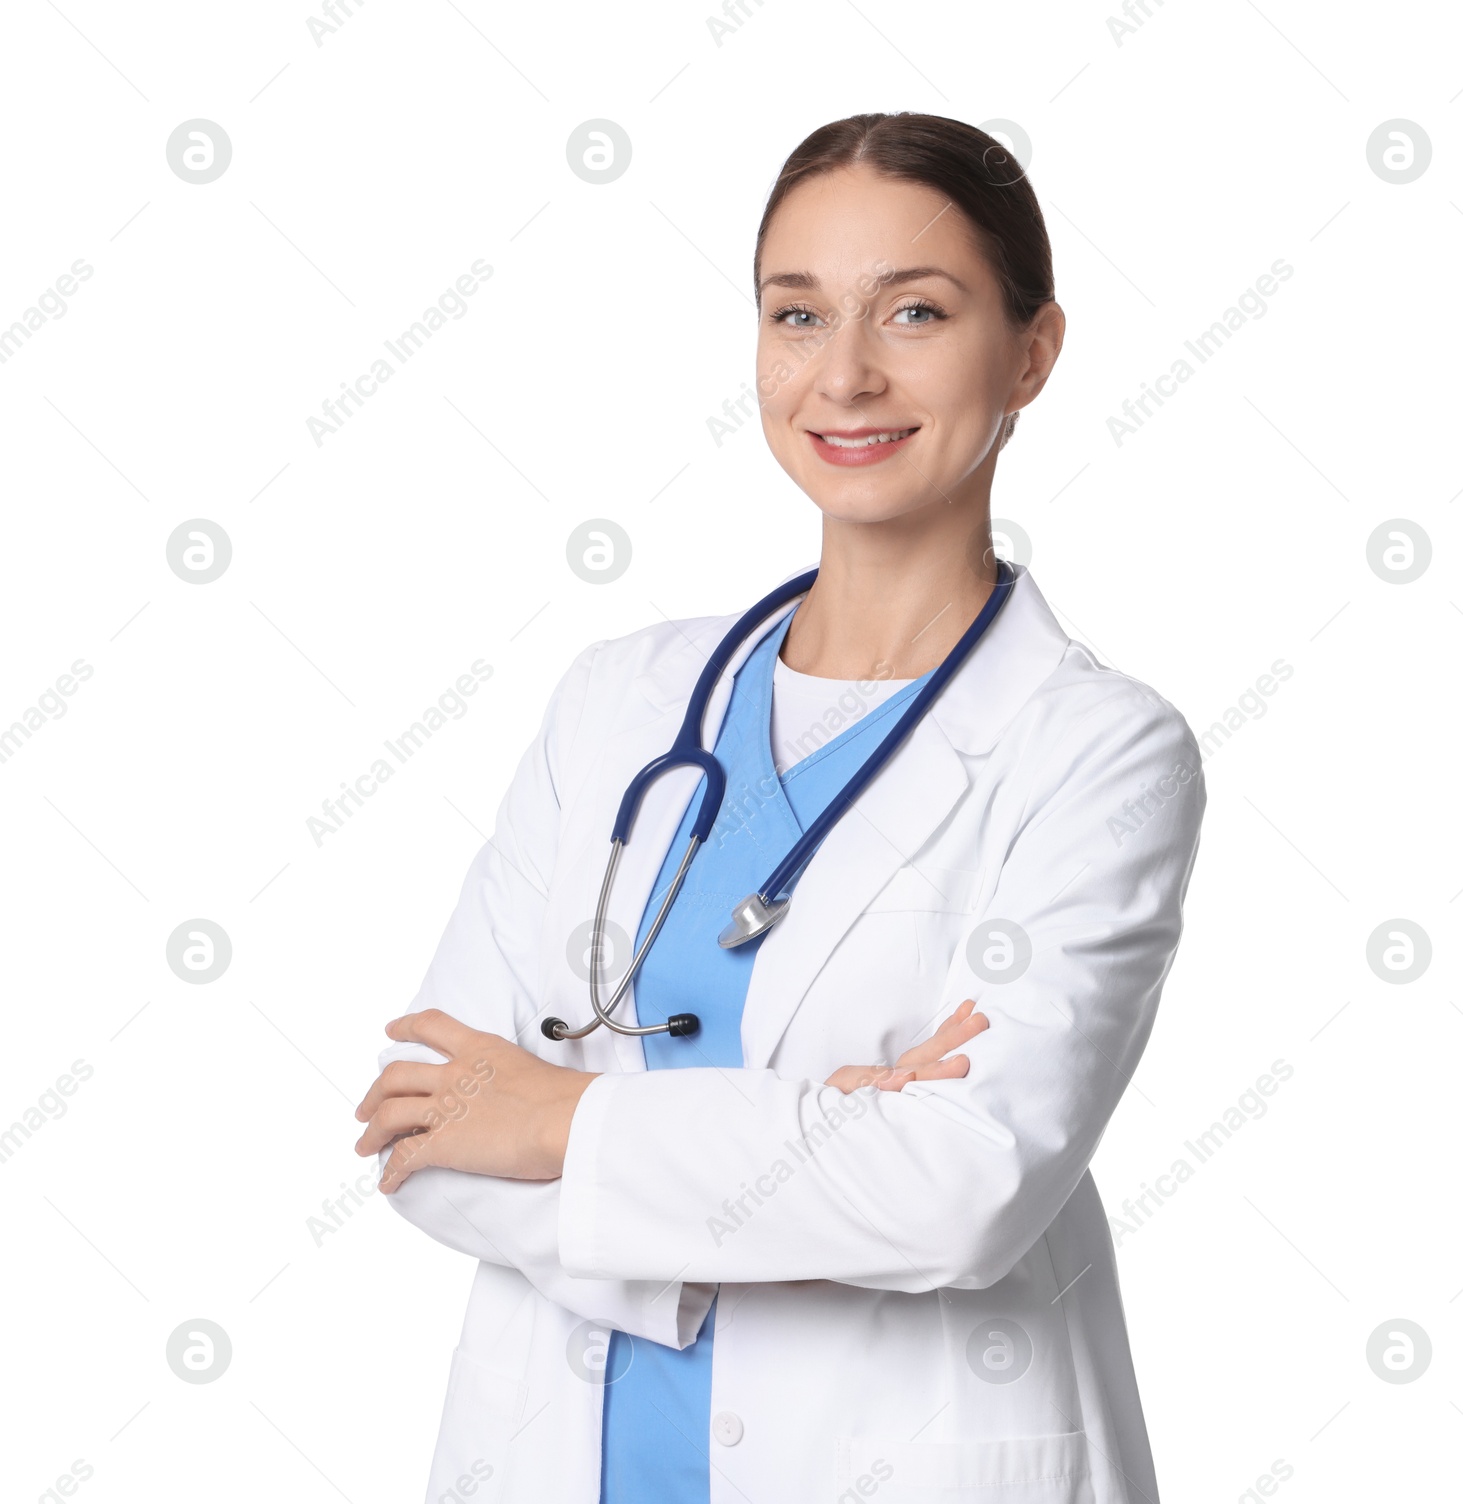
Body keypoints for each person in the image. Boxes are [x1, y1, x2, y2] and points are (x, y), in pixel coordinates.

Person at [355, 111, 1206, 1503]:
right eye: (796, 314)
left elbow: (963, 1191)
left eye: (916, 311)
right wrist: (819, 1136)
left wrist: (563, 1121)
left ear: (1033, 353)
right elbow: (429, 1135)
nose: (846, 374)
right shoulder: (618, 705)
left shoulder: (1098, 751)